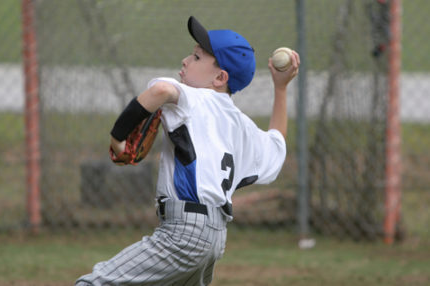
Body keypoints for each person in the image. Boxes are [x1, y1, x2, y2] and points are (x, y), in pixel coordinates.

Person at [76, 16, 299, 286]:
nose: (185, 60)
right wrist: (281, 88)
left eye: (196, 57)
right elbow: (276, 144)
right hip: (214, 237)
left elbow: (160, 90)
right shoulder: (242, 126)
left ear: (220, 77)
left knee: (93, 283)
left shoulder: (193, 99)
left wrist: (117, 138)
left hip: (184, 233)